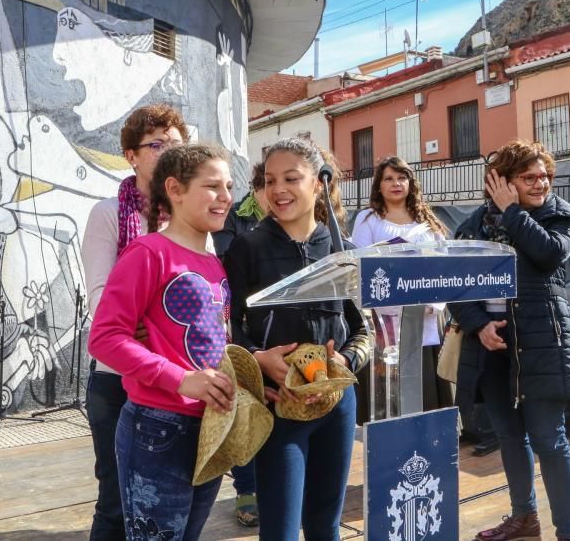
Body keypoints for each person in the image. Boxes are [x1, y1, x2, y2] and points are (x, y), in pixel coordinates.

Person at [224, 137, 372, 541]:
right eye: (270, 180)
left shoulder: (343, 249)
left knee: (327, 527)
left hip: (337, 406)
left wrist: (343, 362)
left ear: (318, 184)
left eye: (291, 178)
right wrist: (257, 358)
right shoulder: (246, 248)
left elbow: (365, 330)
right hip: (278, 407)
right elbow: (228, 329)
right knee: (281, 531)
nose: (278, 190)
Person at [87, 143, 236, 540]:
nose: (226, 198)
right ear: (175, 189)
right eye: (212, 187)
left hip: (209, 425)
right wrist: (180, 379)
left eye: (229, 187)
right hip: (158, 428)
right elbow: (105, 338)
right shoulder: (147, 253)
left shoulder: (212, 260)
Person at [449, 140, 570, 541]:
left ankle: (568, 533)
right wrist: (477, 325)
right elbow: (455, 283)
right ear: (501, 181)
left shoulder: (560, 216)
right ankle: (524, 517)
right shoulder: (472, 226)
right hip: (492, 345)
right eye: (530, 177)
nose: (541, 183)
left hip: (542, 343)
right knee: (509, 435)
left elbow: (549, 254)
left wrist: (512, 212)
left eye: (544, 176)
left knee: (549, 439)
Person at [82, 104, 187, 541]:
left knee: (171, 496)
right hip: (117, 379)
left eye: (176, 145)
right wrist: (155, 330)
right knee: (116, 501)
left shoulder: (192, 219)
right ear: (131, 155)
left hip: (179, 379)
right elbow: (101, 300)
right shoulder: (108, 214)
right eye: (155, 144)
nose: (166, 152)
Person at [350, 156, 453, 413]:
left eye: (401, 177)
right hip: (386, 323)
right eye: (388, 178)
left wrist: (435, 304)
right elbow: (359, 266)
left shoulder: (426, 220)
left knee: (425, 398)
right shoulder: (368, 219)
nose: (396, 183)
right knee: (391, 401)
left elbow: (443, 267)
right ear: (379, 185)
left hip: (424, 319)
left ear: (410, 182)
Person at [211, 160, 267, 529]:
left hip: (280, 335)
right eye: (268, 184)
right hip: (242, 330)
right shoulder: (238, 220)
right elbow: (228, 265)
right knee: (244, 416)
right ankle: (246, 489)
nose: (277, 192)